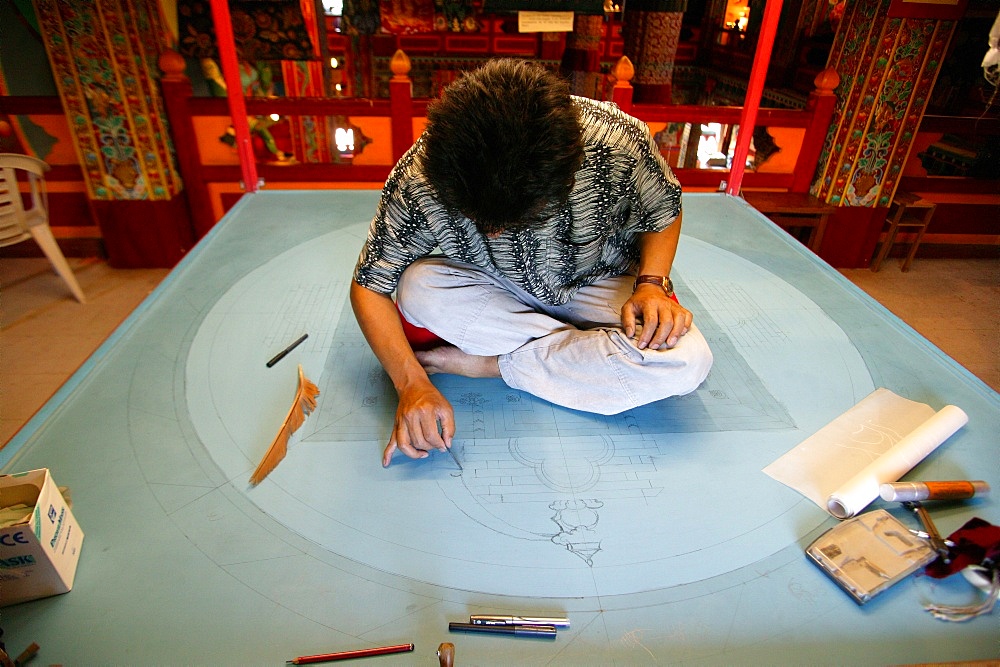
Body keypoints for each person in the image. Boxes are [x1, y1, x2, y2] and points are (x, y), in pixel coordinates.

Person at [351, 59, 713, 467]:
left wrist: (651, 283)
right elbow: (369, 286)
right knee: (418, 288)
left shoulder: (615, 143)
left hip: (599, 280)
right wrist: (410, 382)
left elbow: (664, 207)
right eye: (474, 217)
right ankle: (594, 352)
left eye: (515, 220)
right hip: (499, 286)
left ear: (568, 176)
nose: (490, 235)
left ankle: (493, 365)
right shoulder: (419, 176)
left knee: (689, 360)